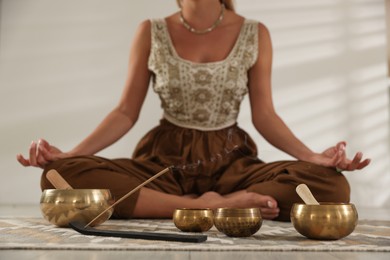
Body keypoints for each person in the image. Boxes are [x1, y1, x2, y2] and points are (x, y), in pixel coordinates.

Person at [17, 0, 370, 221]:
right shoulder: (151, 31)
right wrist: (70, 155)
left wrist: (312, 157)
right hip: (163, 163)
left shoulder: (254, 32)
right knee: (56, 177)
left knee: (331, 188)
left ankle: (212, 200)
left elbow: (264, 114)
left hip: (233, 161)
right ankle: (209, 206)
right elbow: (126, 111)